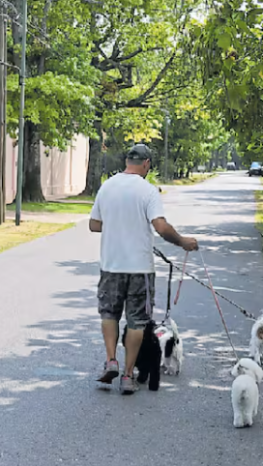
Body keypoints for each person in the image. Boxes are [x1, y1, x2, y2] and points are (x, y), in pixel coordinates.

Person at [89, 143, 198, 395]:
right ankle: (127, 376)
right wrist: (182, 242)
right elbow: (160, 226)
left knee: (109, 314)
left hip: (111, 266)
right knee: (137, 321)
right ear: (147, 164)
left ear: (127, 160)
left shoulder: (107, 186)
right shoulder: (148, 190)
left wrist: (119, 225)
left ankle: (111, 361)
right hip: (139, 268)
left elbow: (94, 224)